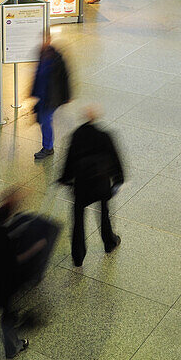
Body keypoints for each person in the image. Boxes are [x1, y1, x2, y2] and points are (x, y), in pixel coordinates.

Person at [0, 188, 43, 360]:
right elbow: (14, 260)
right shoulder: (2, 234)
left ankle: (13, 339)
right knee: (8, 314)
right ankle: (13, 347)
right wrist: (35, 249)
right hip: (4, 280)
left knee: (8, 311)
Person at [58, 106, 123, 267]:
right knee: (104, 214)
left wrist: (65, 179)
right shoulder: (105, 136)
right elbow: (115, 158)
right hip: (101, 184)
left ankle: (78, 255)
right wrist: (118, 179)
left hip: (82, 185)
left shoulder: (76, 136)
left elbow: (69, 160)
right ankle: (109, 242)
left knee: (78, 220)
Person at [31, 36, 71, 160]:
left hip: (51, 97)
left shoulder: (56, 58)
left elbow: (65, 78)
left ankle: (48, 148)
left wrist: (67, 96)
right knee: (43, 119)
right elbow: (38, 76)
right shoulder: (42, 55)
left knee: (46, 120)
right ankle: (48, 146)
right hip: (43, 96)